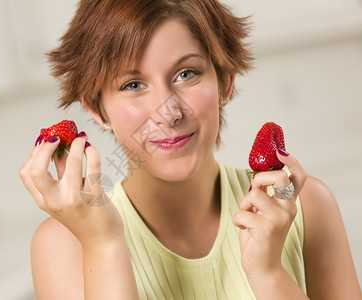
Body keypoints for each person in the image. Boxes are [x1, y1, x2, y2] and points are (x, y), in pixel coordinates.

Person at [19, 0, 361, 299]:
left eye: (186, 74)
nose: (168, 112)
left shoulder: (307, 206)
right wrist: (104, 244)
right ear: (97, 110)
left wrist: (269, 274)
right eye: (133, 85)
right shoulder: (64, 245)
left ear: (225, 82)